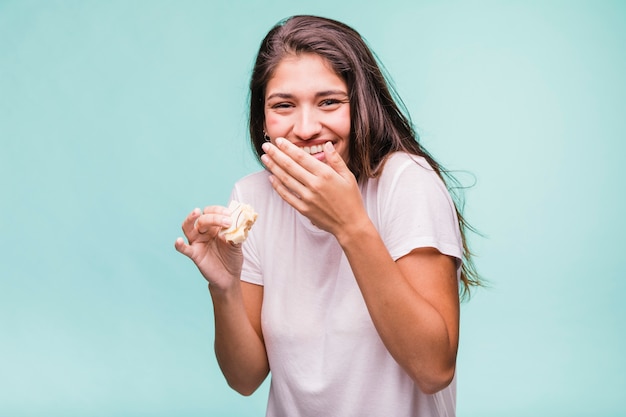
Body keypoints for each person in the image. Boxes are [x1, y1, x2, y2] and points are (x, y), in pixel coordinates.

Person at [175, 15, 481, 417]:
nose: (306, 128)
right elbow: (245, 378)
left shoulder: (408, 184)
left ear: (363, 106)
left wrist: (348, 225)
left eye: (329, 102)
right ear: (263, 121)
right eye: (283, 105)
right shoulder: (251, 197)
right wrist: (225, 287)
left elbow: (433, 369)